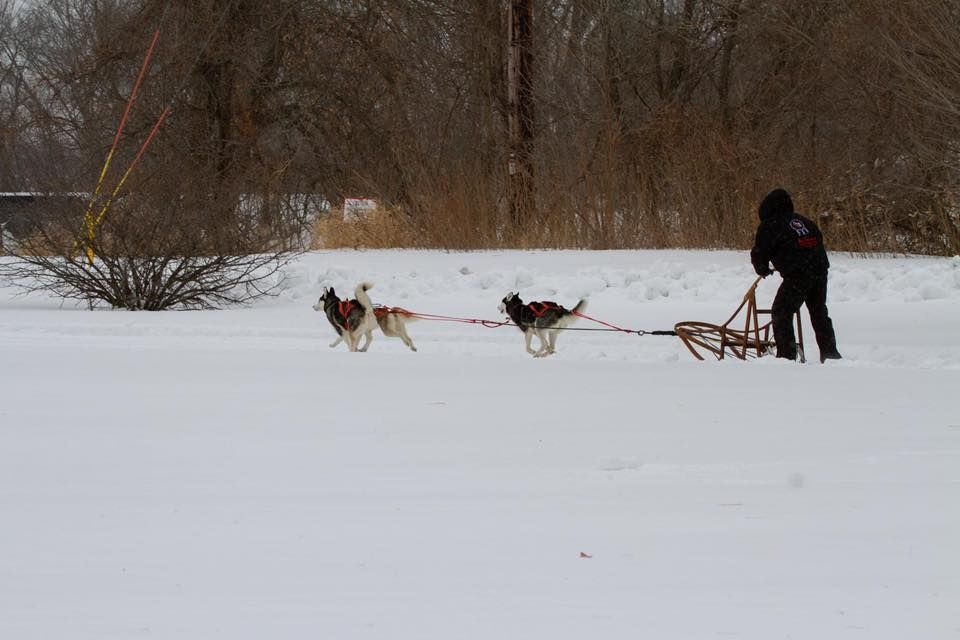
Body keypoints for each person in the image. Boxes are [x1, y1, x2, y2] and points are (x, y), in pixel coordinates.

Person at [750, 188, 842, 363]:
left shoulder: (770, 224)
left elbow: (759, 253)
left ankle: (786, 356)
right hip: (820, 270)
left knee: (781, 311)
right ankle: (830, 353)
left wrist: (762, 269)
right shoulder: (804, 221)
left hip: (798, 274)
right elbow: (817, 244)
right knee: (818, 312)